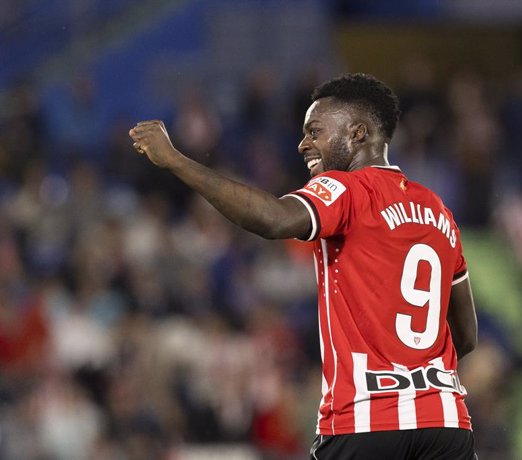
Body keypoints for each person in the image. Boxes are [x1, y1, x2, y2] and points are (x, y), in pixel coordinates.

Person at [129, 73, 478, 459]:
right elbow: (465, 335)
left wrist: (177, 161)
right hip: (446, 423)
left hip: (365, 422)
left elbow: (274, 220)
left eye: (315, 131)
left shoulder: (345, 188)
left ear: (358, 133)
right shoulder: (436, 209)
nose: (303, 144)